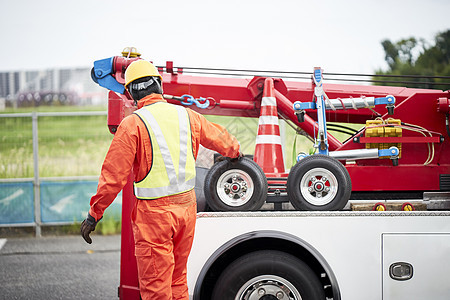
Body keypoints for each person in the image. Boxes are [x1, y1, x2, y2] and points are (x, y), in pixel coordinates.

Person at [80, 60, 242, 299]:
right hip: (186, 212)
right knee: (177, 282)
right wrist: (236, 151)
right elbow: (222, 139)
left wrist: (94, 214)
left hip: (154, 218)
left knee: (157, 288)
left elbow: (112, 177)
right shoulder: (188, 116)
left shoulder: (133, 124)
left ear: (133, 92)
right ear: (159, 85)